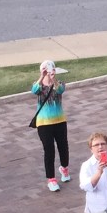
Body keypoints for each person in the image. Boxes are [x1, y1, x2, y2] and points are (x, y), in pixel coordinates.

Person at [32, 60, 71, 192]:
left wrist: (54, 80)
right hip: (44, 123)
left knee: (63, 146)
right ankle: (51, 179)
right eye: (45, 69)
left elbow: (60, 90)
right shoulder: (38, 85)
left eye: (50, 69)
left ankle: (64, 168)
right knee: (49, 150)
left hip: (59, 121)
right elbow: (34, 90)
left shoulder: (59, 83)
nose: (48, 72)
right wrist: (42, 77)